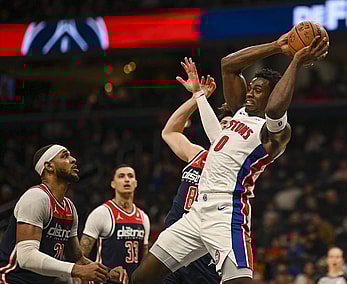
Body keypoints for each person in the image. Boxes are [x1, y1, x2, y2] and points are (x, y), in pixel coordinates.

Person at [132, 33, 329, 284]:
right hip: (196, 212)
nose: (250, 93)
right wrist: (276, 47)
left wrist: (295, 62)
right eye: (250, 87)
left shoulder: (273, 133)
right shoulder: (238, 113)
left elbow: (275, 109)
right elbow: (228, 64)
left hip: (228, 212)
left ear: (271, 95)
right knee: (142, 278)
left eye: (258, 90)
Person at [0, 145, 125, 284]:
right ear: (49, 166)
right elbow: (26, 257)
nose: (73, 159)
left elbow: (77, 259)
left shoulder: (69, 207)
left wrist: (107, 273)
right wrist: (76, 270)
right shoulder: (36, 197)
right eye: (65, 156)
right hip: (11, 279)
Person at [161, 57, 233, 284]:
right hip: (175, 239)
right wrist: (196, 98)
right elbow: (169, 132)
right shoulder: (197, 154)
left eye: (231, 127)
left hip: (205, 249)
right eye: (223, 124)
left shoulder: (235, 167)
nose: (225, 129)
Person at [80, 165, 149, 284]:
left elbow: (144, 260)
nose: (127, 179)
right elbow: (80, 257)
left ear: (136, 183)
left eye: (130, 176)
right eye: (121, 176)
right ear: (113, 184)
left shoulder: (143, 217)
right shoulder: (101, 213)